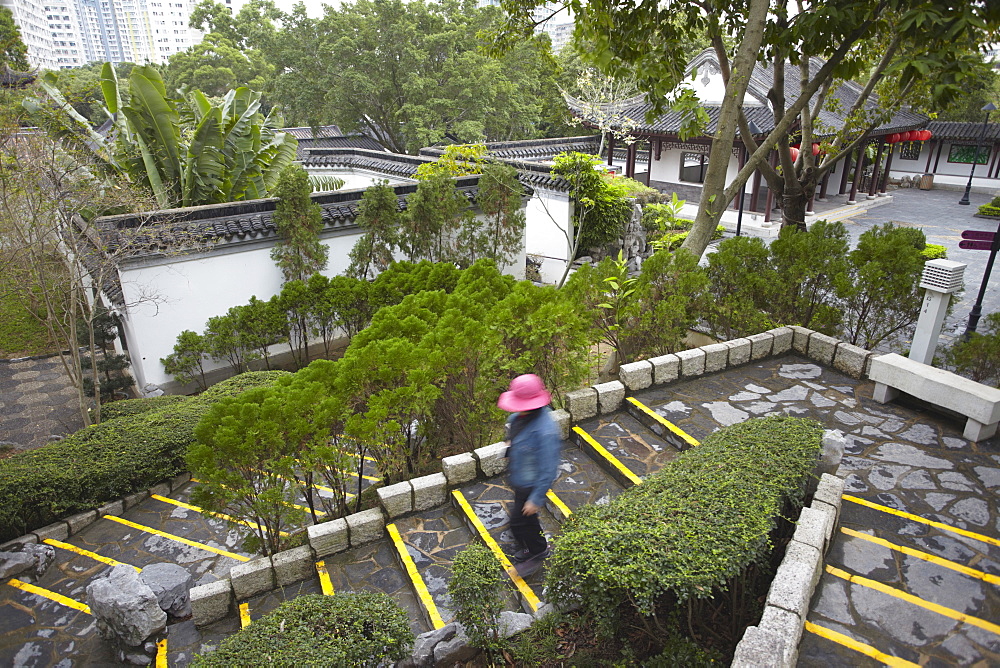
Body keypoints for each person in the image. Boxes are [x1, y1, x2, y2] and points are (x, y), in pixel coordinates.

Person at [497, 373, 561, 565]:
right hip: (520, 477)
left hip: (531, 484)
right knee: (527, 519)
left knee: (518, 522)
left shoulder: (545, 430)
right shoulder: (519, 417)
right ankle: (537, 545)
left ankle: (537, 550)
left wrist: (536, 498)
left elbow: (548, 468)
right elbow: (515, 433)